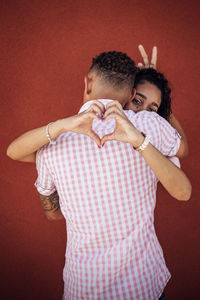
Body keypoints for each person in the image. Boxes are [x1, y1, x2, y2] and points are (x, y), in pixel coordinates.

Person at [7, 50, 191, 299]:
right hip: (143, 286)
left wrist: (61, 126)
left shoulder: (52, 146)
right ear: (132, 94)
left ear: (88, 83)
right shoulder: (150, 125)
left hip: (84, 289)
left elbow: (51, 211)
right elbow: (183, 148)